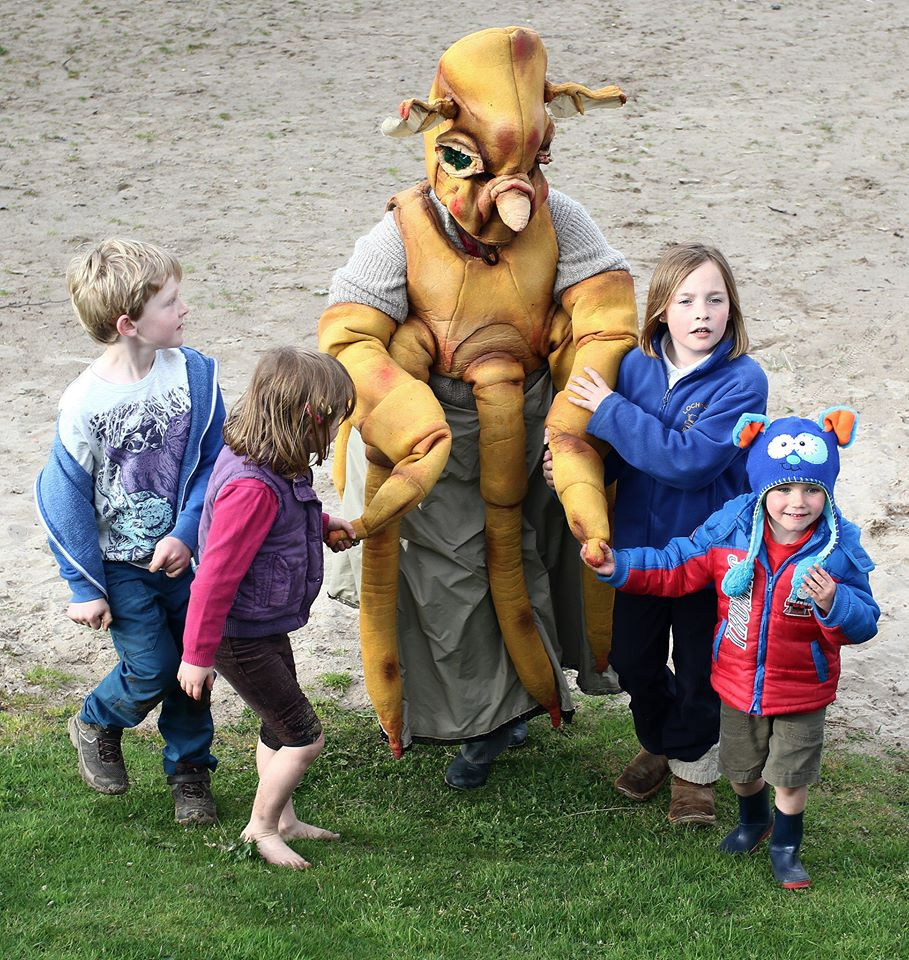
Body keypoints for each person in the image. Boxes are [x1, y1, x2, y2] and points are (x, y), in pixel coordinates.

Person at [320, 26, 639, 791]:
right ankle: (483, 716)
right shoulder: (397, 232)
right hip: (439, 428)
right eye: (474, 163)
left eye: (531, 166)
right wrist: (401, 412)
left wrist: (570, 410)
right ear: (442, 142)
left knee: (533, 547)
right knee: (451, 569)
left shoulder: (564, 220)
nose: (511, 194)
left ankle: (521, 700)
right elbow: (351, 329)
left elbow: (605, 311)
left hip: (534, 421)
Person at [582, 407, 879, 888]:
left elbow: (864, 622)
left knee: (790, 778)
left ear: (828, 492)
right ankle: (752, 820)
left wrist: (835, 603)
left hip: (802, 688)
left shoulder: (838, 550)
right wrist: (622, 565)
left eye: (811, 490)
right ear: (762, 487)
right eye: (782, 489)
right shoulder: (731, 530)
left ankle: (785, 846)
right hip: (737, 682)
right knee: (741, 772)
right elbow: (677, 563)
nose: (796, 503)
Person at [558, 243, 769, 825]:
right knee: (633, 662)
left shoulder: (743, 383)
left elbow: (689, 462)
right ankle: (660, 740)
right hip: (642, 552)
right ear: (660, 311)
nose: (701, 312)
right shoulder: (636, 368)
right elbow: (630, 458)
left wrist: (610, 412)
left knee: (702, 670)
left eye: (715, 299)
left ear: (732, 310)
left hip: (711, 555)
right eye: (686, 300)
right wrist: (582, 467)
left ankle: (693, 773)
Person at [35, 237, 226, 825]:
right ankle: (96, 719)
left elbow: (212, 462)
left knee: (194, 664)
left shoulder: (192, 375)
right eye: (170, 302)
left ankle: (189, 774)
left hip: (180, 560)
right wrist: (83, 585)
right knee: (152, 667)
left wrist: (189, 532)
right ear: (129, 324)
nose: (184, 310)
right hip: (120, 567)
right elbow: (59, 495)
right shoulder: (84, 403)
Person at [177, 347, 357, 870]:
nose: (335, 433)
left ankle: (283, 818)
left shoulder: (272, 461)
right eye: (334, 421)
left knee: (277, 726)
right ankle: (259, 828)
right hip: (238, 637)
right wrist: (197, 654)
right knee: (304, 735)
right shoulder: (253, 488)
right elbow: (214, 576)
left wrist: (323, 529)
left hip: (261, 626)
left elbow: (281, 524)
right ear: (306, 419)